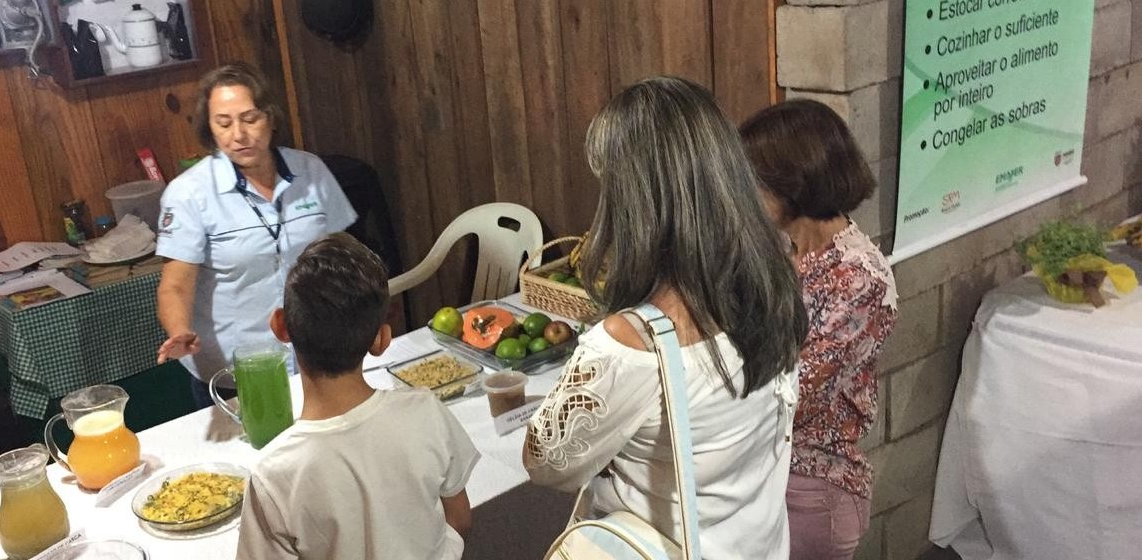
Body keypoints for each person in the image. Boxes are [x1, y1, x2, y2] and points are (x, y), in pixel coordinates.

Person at [523, 77, 809, 559]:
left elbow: (546, 463)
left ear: (632, 202)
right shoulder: (772, 284)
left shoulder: (630, 344)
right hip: (758, 543)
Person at [236, 233, 479, 560]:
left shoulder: (273, 473)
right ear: (382, 340)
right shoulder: (426, 411)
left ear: (281, 326)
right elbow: (459, 517)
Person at [739, 99, 899, 560]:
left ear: (794, 183)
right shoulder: (782, 250)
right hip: (764, 477)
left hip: (811, 489)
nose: (745, 195)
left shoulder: (859, 277)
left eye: (754, 182)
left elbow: (792, 392)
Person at [155, 63, 357, 407]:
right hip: (239, 370)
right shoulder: (189, 193)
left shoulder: (310, 170)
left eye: (250, 119)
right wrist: (179, 330)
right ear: (210, 129)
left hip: (317, 355)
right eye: (224, 123)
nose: (238, 135)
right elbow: (175, 285)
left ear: (271, 118)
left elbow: (342, 254)